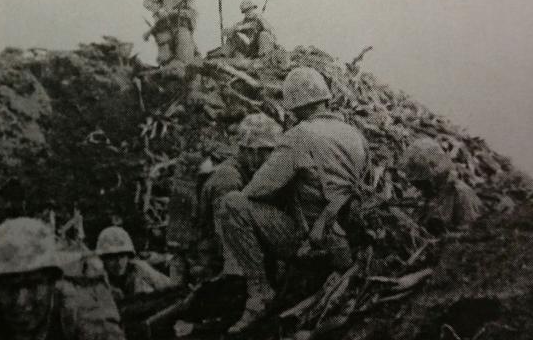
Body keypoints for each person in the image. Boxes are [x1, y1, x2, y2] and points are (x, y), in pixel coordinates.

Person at [217, 67, 366, 333]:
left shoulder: (300, 135)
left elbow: (256, 190)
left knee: (233, 203)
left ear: (294, 105)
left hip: (313, 241)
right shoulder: (355, 135)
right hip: (347, 240)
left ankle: (259, 293)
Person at [0, 217, 125, 340]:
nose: (21, 301)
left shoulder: (84, 317)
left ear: (52, 282)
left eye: (33, 285)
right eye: (9, 288)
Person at [196, 114, 283, 276]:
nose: (274, 157)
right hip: (221, 263)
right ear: (253, 152)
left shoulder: (251, 171)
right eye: (270, 151)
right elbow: (226, 236)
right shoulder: (228, 178)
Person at [402, 137, 483, 233]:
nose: (419, 187)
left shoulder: (461, 193)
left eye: (422, 182)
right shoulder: (433, 193)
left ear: (433, 175)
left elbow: (470, 234)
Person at [94, 226, 174, 300]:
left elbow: (171, 286)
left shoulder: (140, 269)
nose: (118, 262)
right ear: (103, 259)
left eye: (122, 256)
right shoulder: (97, 281)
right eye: (112, 257)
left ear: (128, 256)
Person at [143, 0, 198, 66]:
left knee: (186, 52)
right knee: (164, 55)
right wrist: (159, 10)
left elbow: (192, 12)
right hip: (164, 25)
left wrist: (177, 12)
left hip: (181, 25)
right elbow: (147, 2)